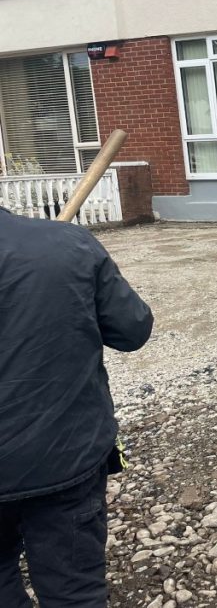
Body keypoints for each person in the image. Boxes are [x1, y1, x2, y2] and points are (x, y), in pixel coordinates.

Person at [0, 205, 153, 607]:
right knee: (72, 592)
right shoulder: (67, 244)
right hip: (62, 457)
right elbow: (132, 328)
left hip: (59, 455)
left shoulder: (65, 243)